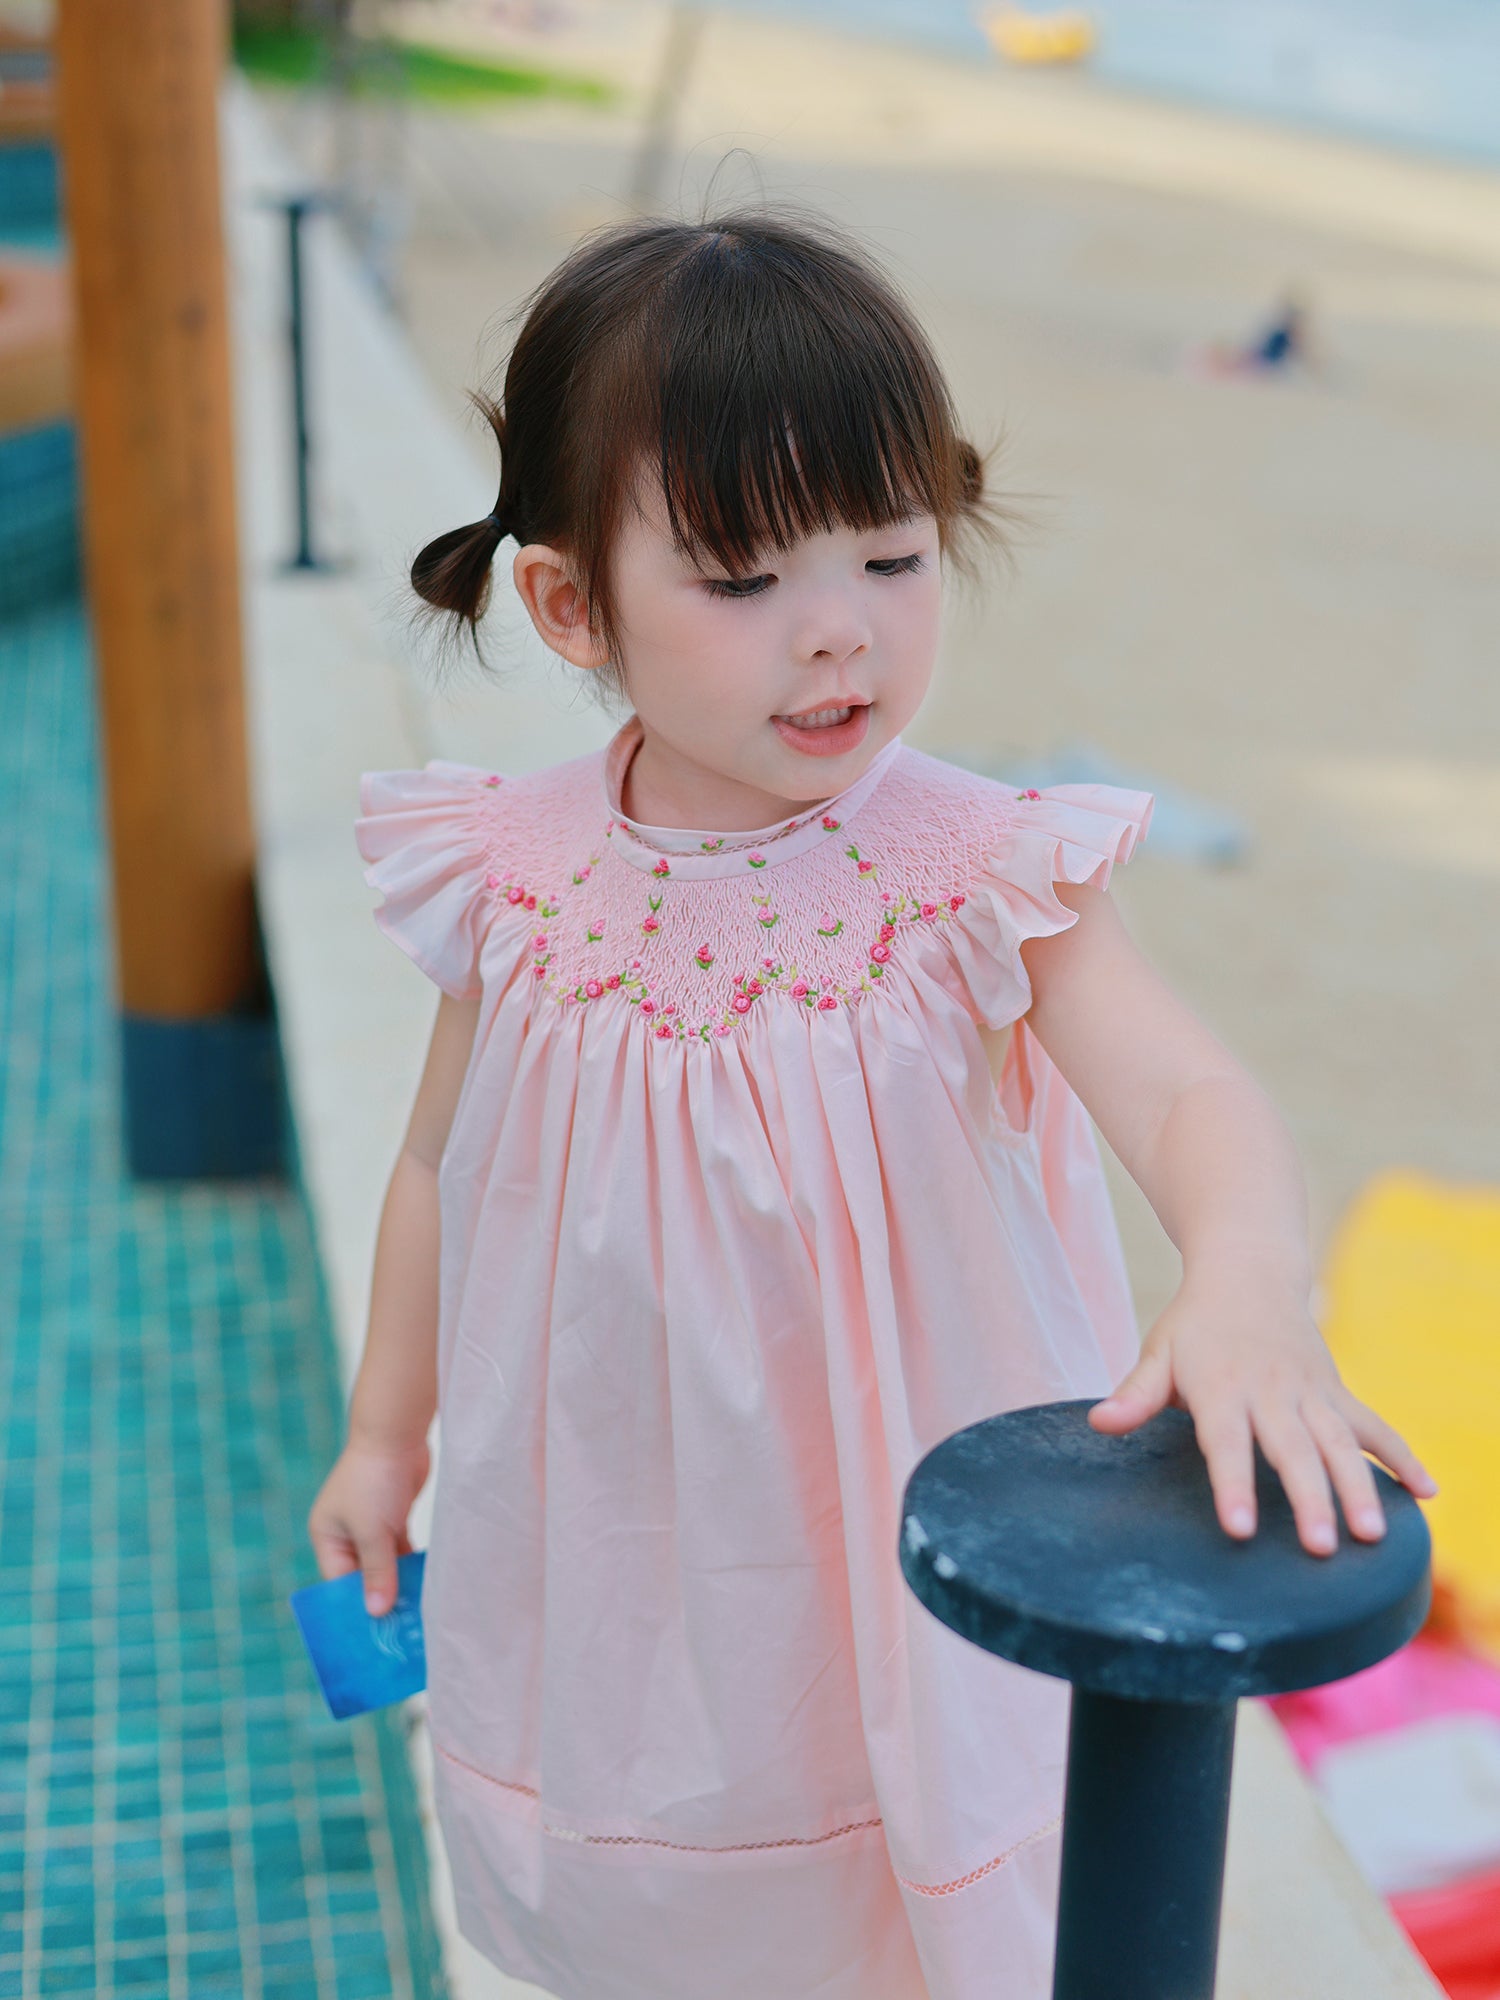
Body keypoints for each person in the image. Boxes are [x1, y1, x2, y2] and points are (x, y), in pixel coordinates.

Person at [307, 210, 1433, 2000]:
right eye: (747, 582)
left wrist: (1243, 1287)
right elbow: (444, 1165)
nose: (840, 638)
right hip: (628, 1562)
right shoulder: (513, 878)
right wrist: (388, 1440)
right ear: (570, 602)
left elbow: (1196, 1093)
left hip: (909, 1570)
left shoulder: (976, 873)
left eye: (894, 557)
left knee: (922, 1922)